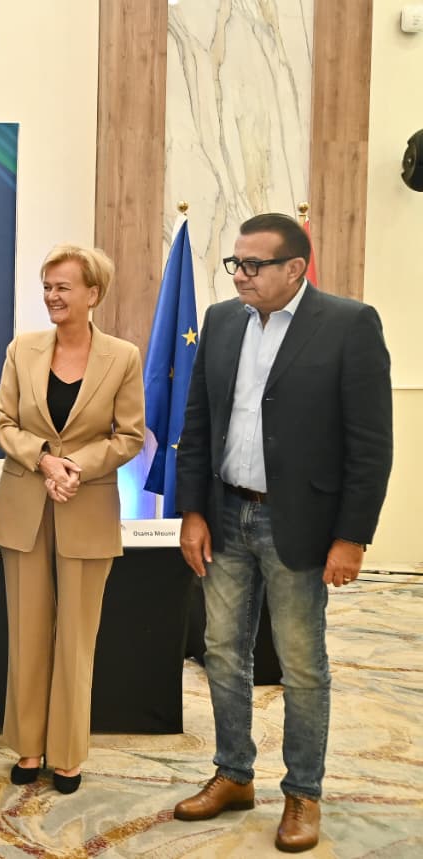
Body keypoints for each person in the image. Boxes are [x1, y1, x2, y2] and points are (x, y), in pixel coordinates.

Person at [173, 213, 392, 852]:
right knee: (221, 652)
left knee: (300, 664)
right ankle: (233, 774)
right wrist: (192, 511)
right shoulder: (221, 321)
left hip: (298, 521)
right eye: (235, 263)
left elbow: (370, 444)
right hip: (224, 514)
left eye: (254, 265)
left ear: (295, 268)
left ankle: (302, 793)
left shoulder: (349, 324)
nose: (240, 275)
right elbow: (198, 423)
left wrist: (352, 536)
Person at [0, 244, 144, 794]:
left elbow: (129, 435)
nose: (52, 296)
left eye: (63, 287)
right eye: (48, 287)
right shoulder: (22, 349)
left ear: (93, 293)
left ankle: (69, 753)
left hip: (88, 505)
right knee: (27, 632)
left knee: (77, 637)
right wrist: (44, 460)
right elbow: (2, 420)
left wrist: (76, 465)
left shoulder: (123, 356)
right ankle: (29, 747)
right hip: (25, 505)